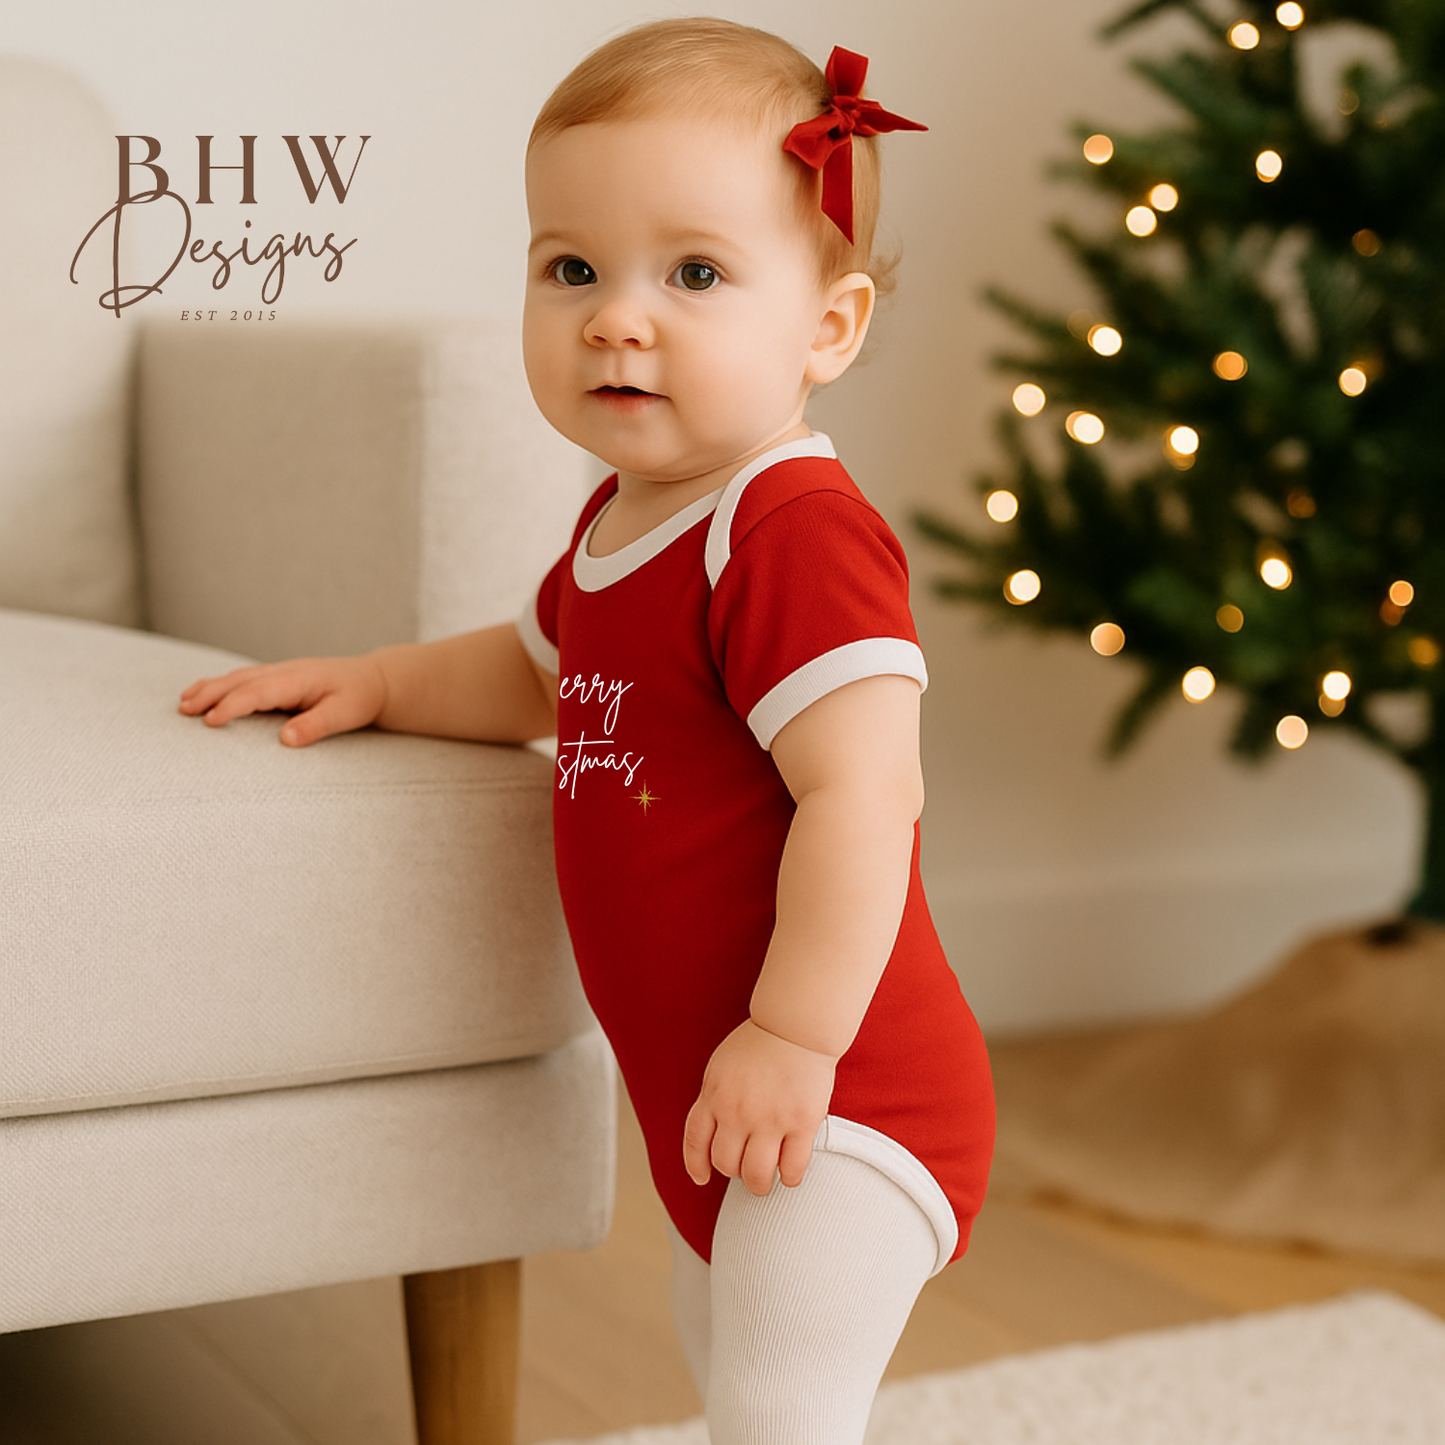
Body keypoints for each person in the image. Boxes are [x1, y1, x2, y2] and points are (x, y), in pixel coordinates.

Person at [180, 19, 994, 1443]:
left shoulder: (790, 532)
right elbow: (537, 674)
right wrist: (378, 679)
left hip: (849, 1091)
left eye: (694, 273)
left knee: (780, 1410)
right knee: (730, 1374)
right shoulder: (628, 523)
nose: (620, 316)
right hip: (717, 1086)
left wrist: (794, 1038)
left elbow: (866, 797)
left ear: (829, 326)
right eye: (573, 268)